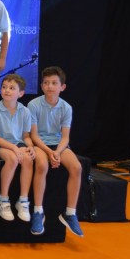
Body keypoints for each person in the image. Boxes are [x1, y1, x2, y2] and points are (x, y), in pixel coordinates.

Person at [28, 66, 84, 237]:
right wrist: (48, 152)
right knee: (42, 166)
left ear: (62, 87)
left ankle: (70, 213)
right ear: (42, 86)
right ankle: (38, 211)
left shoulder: (66, 108)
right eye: (46, 83)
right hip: (40, 145)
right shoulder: (33, 105)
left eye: (54, 83)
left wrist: (58, 152)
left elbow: (65, 137)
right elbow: (34, 135)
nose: (49, 86)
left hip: (58, 145)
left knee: (77, 168)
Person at [0, 74, 34, 225]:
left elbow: (26, 136)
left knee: (28, 158)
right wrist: (14, 148)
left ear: (21, 93)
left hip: (18, 144)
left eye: (12, 88)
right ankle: (3, 198)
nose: (6, 90)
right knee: (13, 158)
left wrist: (30, 147)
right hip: (2, 144)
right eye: (4, 87)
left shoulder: (25, 111)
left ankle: (23, 200)